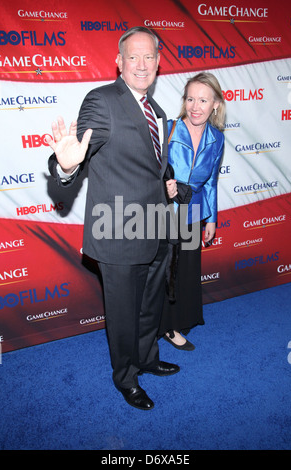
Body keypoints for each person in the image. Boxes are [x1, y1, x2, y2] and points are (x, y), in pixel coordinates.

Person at [47, 27, 180, 411]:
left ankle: (147, 357)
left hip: (156, 225)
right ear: (119, 63)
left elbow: (153, 165)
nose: (142, 65)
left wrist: (166, 182)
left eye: (149, 57)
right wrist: (66, 166)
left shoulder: (157, 110)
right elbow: (76, 153)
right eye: (133, 57)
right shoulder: (102, 101)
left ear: (158, 62)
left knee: (150, 304)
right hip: (118, 231)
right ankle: (126, 377)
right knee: (123, 313)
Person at [159, 72, 225, 351]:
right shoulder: (169, 129)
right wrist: (164, 187)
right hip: (162, 211)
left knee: (184, 269)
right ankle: (160, 324)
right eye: (190, 99)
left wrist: (211, 218)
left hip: (194, 210)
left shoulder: (217, 138)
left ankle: (178, 321)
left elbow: (211, 181)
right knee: (161, 270)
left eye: (203, 100)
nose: (195, 106)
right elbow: (150, 171)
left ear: (216, 105)